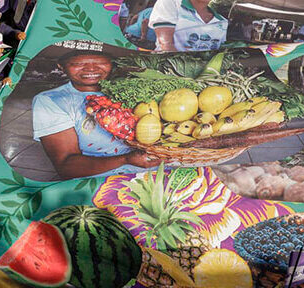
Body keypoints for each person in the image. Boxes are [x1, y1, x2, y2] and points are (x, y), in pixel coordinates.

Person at [32, 50, 162, 180]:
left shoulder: (130, 88)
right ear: (61, 65)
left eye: (101, 62)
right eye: (79, 63)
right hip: (104, 181)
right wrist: (126, 159)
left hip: (159, 171)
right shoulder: (52, 100)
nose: (91, 68)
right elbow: (66, 166)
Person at [148, 0, 228, 51]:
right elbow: (166, 45)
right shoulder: (171, 3)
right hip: (168, 68)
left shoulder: (222, 21)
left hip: (206, 73)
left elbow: (218, 51)